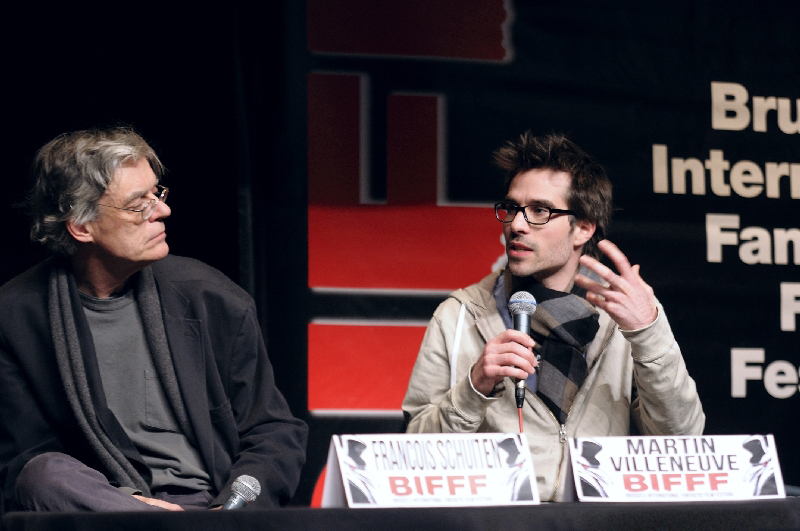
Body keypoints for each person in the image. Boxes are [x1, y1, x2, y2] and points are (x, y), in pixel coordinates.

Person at [0, 127, 307, 513]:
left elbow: (273, 431)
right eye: (137, 205)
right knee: (42, 475)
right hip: (109, 509)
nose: (162, 211)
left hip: (213, 508)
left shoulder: (212, 298)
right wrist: (132, 507)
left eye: (156, 194)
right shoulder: (16, 316)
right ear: (81, 226)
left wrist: (232, 508)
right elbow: (24, 464)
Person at [402, 132, 705, 502]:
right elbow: (412, 458)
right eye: (512, 208)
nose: (516, 225)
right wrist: (473, 388)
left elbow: (682, 444)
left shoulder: (624, 321)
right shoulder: (459, 316)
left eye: (540, 211)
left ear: (584, 228)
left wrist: (648, 332)